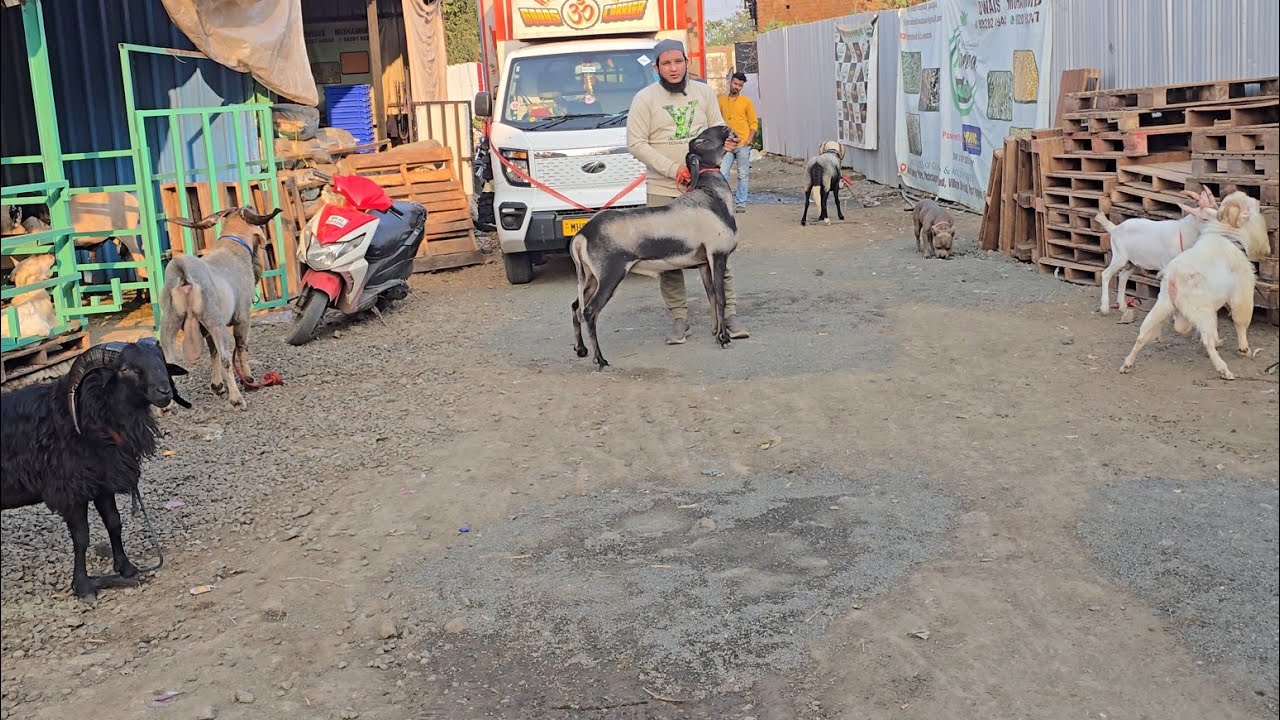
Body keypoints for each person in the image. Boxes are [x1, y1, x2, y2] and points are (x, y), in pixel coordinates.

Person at [625, 39, 750, 345]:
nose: (673, 68)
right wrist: (673, 169)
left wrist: (729, 142)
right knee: (668, 256)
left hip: (706, 187)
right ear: (656, 67)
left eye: (677, 62)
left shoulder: (704, 92)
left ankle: (727, 313)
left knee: (718, 252)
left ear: (686, 63)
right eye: (666, 64)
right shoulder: (644, 99)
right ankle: (680, 318)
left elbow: (719, 128)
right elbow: (636, 143)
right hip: (664, 187)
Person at [718, 72, 758, 213]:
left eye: (740, 85)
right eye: (735, 83)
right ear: (730, 82)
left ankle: (741, 203)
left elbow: (753, 122)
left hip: (742, 145)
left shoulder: (746, 102)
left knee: (742, 174)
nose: (737, 87)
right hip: (727, 145)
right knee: (722, 173)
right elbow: (717, 121)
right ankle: (722, 202)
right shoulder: (721, 100)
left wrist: (749, 140)